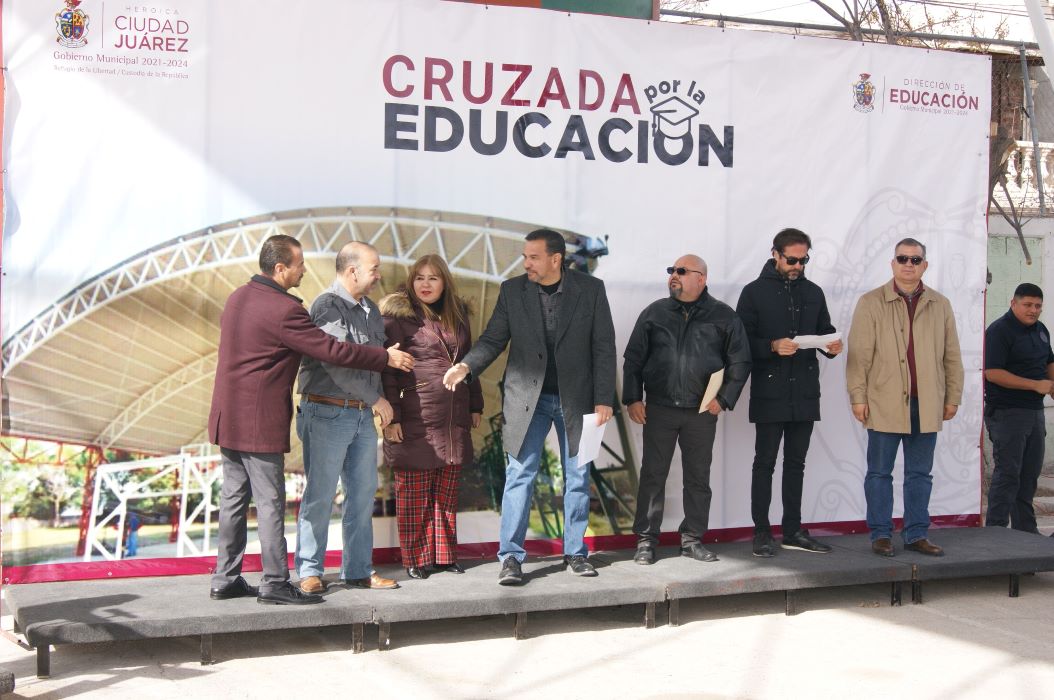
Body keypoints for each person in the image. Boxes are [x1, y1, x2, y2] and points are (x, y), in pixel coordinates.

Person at [208, 234, 414, 605]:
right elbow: (330, 352)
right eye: (300, 264)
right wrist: (383, 359)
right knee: (272, 503)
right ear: (280, 268)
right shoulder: (289, 309)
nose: (305, 270)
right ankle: (278, 581)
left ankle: (226, 578)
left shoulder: (237, 298)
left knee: (235, 499)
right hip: (269, 417)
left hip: (231, 415)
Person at [442, 229, 616, 585]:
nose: (526, 264)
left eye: (533, 257)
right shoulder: (511, 290)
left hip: (580, 400)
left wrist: (604, 399)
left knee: (579, 477)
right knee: (519, 476)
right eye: (525, 257)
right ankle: (510, 558)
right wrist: (467, 365)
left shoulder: (591, 290)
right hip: (526, 400)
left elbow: (603, 346)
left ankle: (575, 553)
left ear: (556, 259)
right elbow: (493, 339)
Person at [623, 255, 751, 565]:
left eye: (681, 271)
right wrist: (633, 398)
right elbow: (634, 359)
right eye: (671, 271)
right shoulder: (654, 313)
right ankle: (646, 540)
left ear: (702, 279)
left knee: (697, 477)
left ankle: (692, 539)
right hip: (659, 409)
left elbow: (741, 361)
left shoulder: (724, 316)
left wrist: (724, 399)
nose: (673, 276)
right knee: (653, 474)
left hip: (701, 412)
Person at [294, 241, 402, 593]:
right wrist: (379, 400)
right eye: (373, 269)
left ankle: (357, 570)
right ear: (352, 271)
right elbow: (336, 361)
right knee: (321, 494)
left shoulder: (371, 310)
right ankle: (310, 571)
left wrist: (380, 399)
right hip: (327, 411)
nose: (378, 276)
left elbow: (373, 364)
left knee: (361, 495)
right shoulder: (326, 306)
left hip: (360, 417)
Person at [846, 238, 963, 558]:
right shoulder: (871, 302)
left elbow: (951, 355)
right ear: (892, 264)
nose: (908, 264)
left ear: (924, 265)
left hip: (926, 403)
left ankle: (916, 534)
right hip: (883, 401)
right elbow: (858, 356)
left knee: (920, 474)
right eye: (902, 259)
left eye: (915, 260)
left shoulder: (940, 304)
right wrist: (858, 396)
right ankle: (881, 534)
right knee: (879, 473)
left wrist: (953, 396)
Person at [735, 229, 843, 558]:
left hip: (806, 391)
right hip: (770, 390)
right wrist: (771, 346)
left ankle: (793, 530)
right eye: (792, 259)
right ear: (776, 255)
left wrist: (832, 346)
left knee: (796, 464)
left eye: (804, 260)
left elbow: (824, 331)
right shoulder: (753, 293)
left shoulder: (814, 292)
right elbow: (738, 344)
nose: (798, 265)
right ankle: (762, 532)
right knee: (764, 463)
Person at [379, 254, 483, 579]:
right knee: (413, 492)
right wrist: (391, 417)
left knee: (446, 491)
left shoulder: (458, 317)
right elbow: (387, 371)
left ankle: (444, 555)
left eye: (433, 278)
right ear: (411, 282)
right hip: (414, 415)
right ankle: (415, 559)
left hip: (453, 416)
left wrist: (475, 404)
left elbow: (469, 361)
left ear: (444, 282)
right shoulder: (396, 319)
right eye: (419, 277)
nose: (425, 284)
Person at [984, 282, 1054, 534]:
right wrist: (1035, 385)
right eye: (1027, 305)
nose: (1033, 310)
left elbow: (1048, 363)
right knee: (1008, 476)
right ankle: (996, 533)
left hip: (1035, 413)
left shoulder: (1041, 330)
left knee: (1028, 477)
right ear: (1013, 303)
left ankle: (1026, 534)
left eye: (1038, 306)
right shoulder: (999, 331)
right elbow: (992, 373)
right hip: (1007, 412)